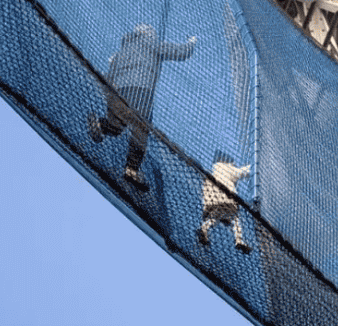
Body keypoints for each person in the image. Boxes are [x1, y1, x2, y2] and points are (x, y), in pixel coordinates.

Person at [88, 24, 196, 190]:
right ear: (147, 34)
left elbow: (107, 77)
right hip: (140, 91)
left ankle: (101, 125)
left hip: (117, 93)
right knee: (141, 129)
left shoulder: (120, 53)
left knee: (117, 126)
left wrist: (109, 95)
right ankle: (132, 169)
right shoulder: (150, 43)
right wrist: (191, 43)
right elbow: (179, 52)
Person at [197, 151, 252, 253]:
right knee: (235, 219)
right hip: (226, 199)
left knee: (214, 217)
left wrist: (206, 209)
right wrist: (253, 166)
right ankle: (239, 240)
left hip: (212, 201)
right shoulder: (226, 167)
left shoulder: (212, 174)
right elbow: (241, 172)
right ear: (228, 162)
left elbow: (205, 192)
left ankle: (204, 227)